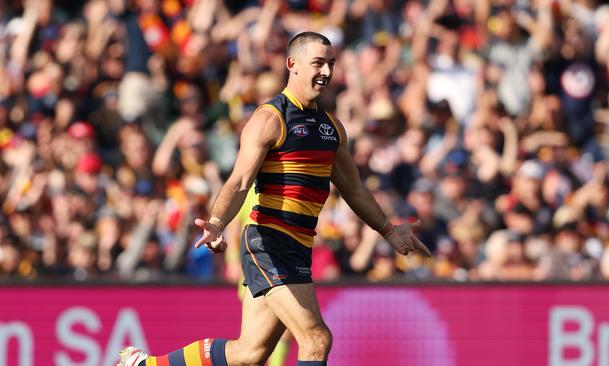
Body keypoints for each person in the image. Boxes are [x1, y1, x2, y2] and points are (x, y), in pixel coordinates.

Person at [118, 31, 431, 366]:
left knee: (248, 355)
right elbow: (239, 181)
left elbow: (353, 189)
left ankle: (144, 364)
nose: (326, 71)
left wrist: (388, 230)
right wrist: (217, 223)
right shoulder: (270, 118)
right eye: (318, 63)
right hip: (268, 243)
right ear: (292, 65)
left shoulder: (331, 128)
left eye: (331, 63)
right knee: (316, 339)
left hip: (298, 247)